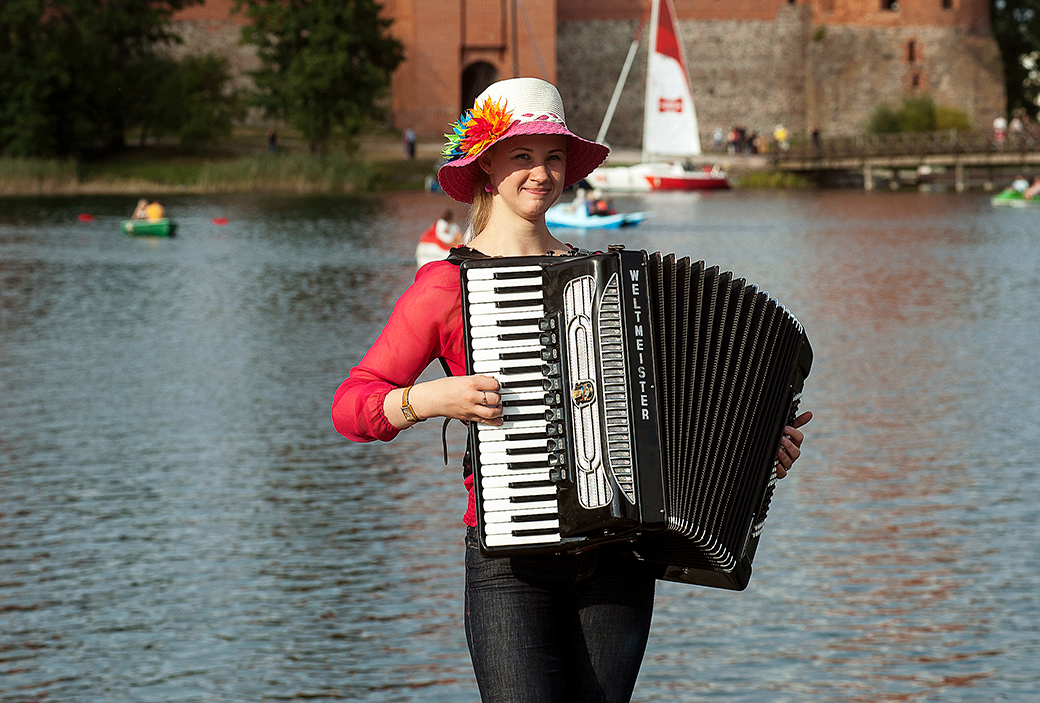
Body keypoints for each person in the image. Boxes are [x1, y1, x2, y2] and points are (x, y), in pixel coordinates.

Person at [332, 78, 811, 702]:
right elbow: (352, 404)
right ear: (484, 171)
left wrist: (755, 448)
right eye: (522, 156)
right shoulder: (446, 287)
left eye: (554, 157)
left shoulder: (612, 288)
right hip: (511, 570)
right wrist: (427, 400)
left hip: (617, 562)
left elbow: (671, 413)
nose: (541, 172)